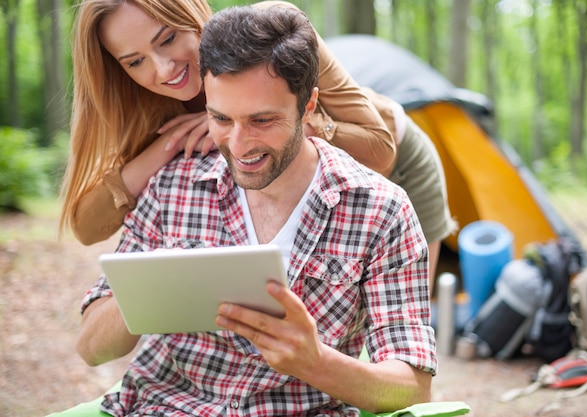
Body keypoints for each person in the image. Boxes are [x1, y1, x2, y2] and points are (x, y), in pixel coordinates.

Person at [75, 5, 436, 416]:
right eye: (220, 118)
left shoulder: (381, 210)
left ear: (308, 106)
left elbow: (412, 386)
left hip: (400, 154)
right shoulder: (172, 187)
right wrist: (152, 286)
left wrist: (315, 362)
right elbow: (90, 347)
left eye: (262, 119)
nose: (240, 144)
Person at [59, 0, 455, 285]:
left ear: (191, 13)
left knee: (398, 334)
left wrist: (244, 122)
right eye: (134, 61)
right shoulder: (147, 107)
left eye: (167, 39)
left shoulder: (275, 31)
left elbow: (379, 149)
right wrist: (163, 149)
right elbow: (87, 227)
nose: (162, 69)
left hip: (398, 163)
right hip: (298, 189)